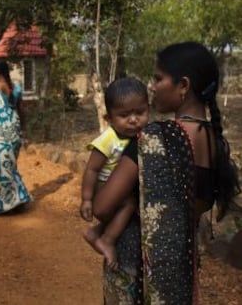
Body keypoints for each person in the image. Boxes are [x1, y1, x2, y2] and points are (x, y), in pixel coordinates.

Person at [92, 41, 241, 304]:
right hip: (178, 271)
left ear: (183, 85)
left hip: (135, 269)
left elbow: (102, 208)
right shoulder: (212, 138)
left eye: (158, 78)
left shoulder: (155, 139)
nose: (152, 86)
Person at [80, 77, 149, 270]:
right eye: (124, 115)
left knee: (125, 209)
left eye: (140, 112)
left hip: (117, 184)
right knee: (129, 204)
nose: (134, 119)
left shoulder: (142, 137)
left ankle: (96, 233)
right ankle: (107, 240)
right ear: (109, 118)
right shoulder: (108, 139)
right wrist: (86, 199)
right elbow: (92, 169)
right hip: (104, 186)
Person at [0, 59, 32, 214]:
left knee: (1, 167)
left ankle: (8, 204)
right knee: (11, 166)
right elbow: (20, 111)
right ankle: (19, 198)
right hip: (14, 129)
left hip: (2, 133)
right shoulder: (15, 87)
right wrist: (22, 130)